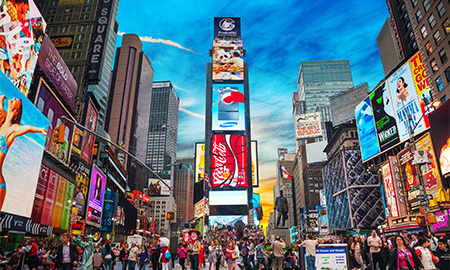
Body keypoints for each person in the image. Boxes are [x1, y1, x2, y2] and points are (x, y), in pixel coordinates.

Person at [0, 97, 47, 210]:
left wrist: (40, 130)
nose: (14, 98)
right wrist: (1, 100)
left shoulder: (13, 129)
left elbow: (27, 128)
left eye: (17, 101)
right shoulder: (1, 123)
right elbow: (1, 109)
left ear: (16, 111)